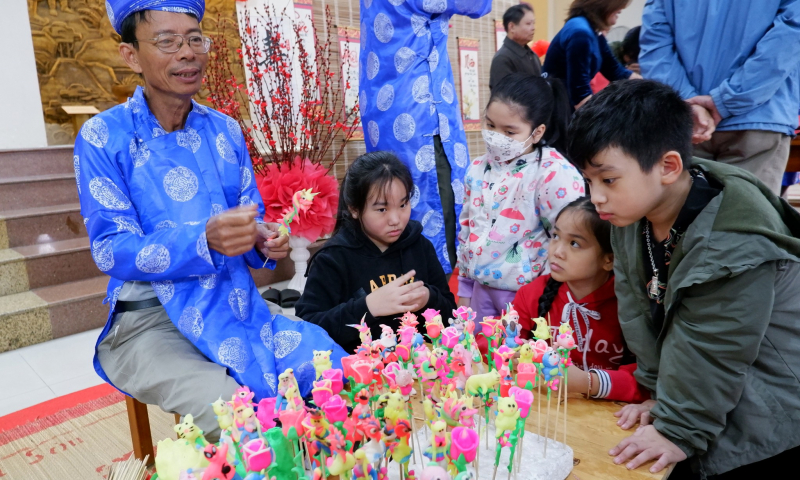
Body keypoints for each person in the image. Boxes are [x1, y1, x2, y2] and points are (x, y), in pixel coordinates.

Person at [78, 0, 346, 441]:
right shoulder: (103, 137)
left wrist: (264, 241)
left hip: (234, 303)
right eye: (167, 41)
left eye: (194, 39)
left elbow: (252, 221)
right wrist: (202, 239)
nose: (187, 53)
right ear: (131, 55)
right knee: (240, 419)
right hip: (151, 322)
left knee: (333, 369)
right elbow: (111, 249)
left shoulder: (225, 131)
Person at [568, 79, 800, 477]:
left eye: (608, 180)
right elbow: (639, 314)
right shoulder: (632, 212)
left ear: (668, 166)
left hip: (771, 404)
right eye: (588, 181)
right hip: (710, 391)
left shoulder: (731, 241)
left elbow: (715, 344)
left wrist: (678, 428)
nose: (596, 197)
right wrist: (660, 395)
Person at [359, 0, 492, 277]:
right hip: (419, 112)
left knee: (390, 201)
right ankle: (433, 298)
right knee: (430, 205)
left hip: (384, 111)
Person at [295, 152, 457, 355]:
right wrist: (369, 306)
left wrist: (429, 298)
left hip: (421, 369)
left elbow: (452, 315)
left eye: (403, 205)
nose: (396, 219)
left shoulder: (420, 246)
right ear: (354, 209)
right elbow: (309, 329)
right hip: (361, 377)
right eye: (382, 209)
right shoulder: (333, 258)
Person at [456, 73, 584, 327]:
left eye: (509, 131)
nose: (495, 136)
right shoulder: (478, 168)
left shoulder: (552, 173)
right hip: (480, 290)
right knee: (476, 359)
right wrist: (465, 289)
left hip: (527, 297)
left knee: (520, 362)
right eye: (490, 125)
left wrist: (549, 293)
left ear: (537, 132)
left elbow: (570, 236)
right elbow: (468, 229)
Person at [639, 0, 800, 195]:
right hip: (759, 116)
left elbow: (655, 43)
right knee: (747, 219)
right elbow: (789, 36)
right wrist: (726, 99)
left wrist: (686, 100)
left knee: (681, 221)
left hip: (686, 124)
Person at [514, 197, 648, 403]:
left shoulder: (632, 306)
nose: (557, 251)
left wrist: (587, 382)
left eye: (574, 243)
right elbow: (494, 341)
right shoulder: (533, 294)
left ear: (609, 259)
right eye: (556, 236)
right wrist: (513, 353)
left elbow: (650, 382)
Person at [543, 0, 642, 109]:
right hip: (559, 108)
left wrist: (647, 86)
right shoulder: (581, 33)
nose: (615, 21)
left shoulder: (592, 30)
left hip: (565, 103)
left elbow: (613, 69)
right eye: (618, 10)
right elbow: (580, 95)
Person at [489, 3, 541, 91]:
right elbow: (503, 97)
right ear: (512, 27)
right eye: (528, 24)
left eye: (533, 23)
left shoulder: (532, 55)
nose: (533, 28)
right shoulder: (503, 58)